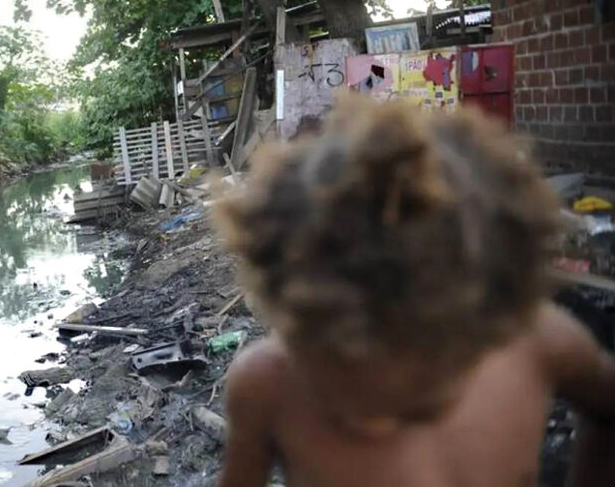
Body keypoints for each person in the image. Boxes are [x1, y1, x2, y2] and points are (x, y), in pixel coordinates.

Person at [212, 92, 615, 487]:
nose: (373, 424)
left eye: (416, 405)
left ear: (483, 329)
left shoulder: (538, 342)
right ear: (291, 321)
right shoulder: (266, 386)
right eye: (347, 381)